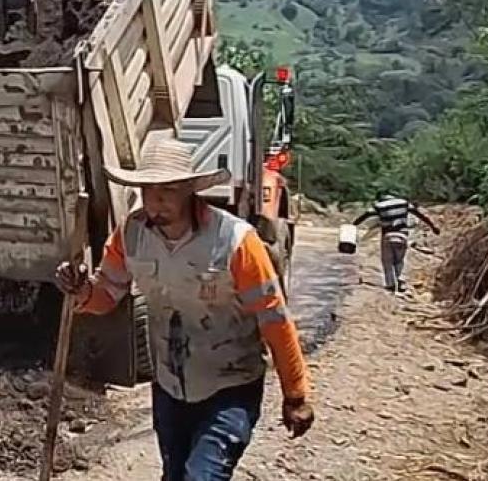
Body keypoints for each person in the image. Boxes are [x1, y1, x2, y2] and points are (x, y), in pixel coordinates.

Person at [56, 138, 314, 480]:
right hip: (170, 386)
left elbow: (275, 320)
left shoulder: (236, 242)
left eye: (169, 190)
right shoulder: (131, 235)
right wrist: (81, 290)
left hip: (230, 386)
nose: (156, 201)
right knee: (174, 475)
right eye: (149, 190)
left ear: (190, 191)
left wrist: (295, 393)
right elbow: (106, 295)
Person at [352, 194, 440, 293]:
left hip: (387, 236)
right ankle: (401, 282)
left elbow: (365, 215)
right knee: (400, 260)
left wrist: (353, 225)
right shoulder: (404, 203)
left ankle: (391, 284)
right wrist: (433, 227)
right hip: (402, 235)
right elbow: (420, 215)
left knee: (387, 261)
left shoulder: (379, 205)